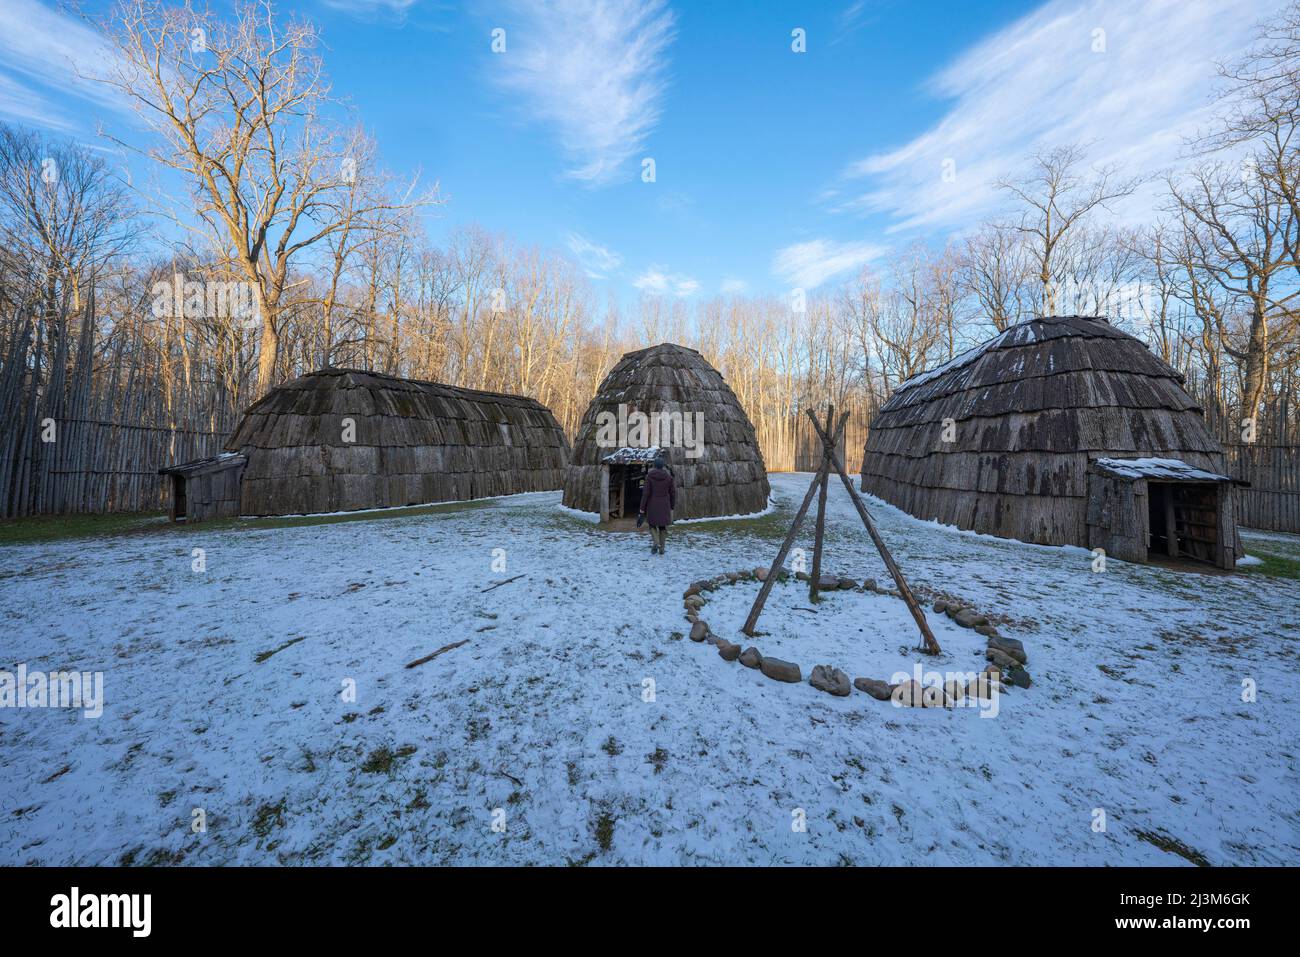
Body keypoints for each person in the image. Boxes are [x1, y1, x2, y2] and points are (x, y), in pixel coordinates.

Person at [639, 456, 676, 555]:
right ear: (663, 466)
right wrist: (672, 506)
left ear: (654, 466)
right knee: (663, 527)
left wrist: (642, 508)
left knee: (652, 525)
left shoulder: (649, 477)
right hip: (665, 505)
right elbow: (673, 493)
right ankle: (662, 549)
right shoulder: (669, 478)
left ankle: (656, 542)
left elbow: (646, 493)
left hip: (652, 504)